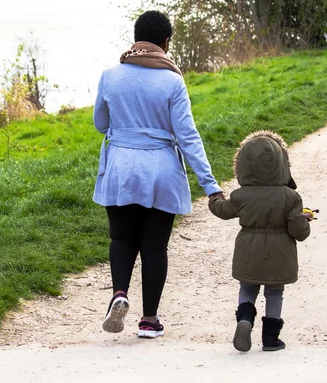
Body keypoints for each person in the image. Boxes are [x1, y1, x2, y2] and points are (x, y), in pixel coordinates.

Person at [93, 10, 222, 338]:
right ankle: (149, 320)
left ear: (135, 38)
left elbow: (100, 124)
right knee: (154, 247)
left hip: (121, 167)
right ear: (166, 43)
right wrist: (210, 186)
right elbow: (187, 136)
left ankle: (119, 294)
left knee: (121, 238)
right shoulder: (172, 80)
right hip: (160, 170)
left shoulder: (110, 75)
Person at [208, 131, 312, 352]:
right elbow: (299, 231)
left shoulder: (241, 195)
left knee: (247, 287)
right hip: (279, 254)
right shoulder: (290, 197)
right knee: (274, 292)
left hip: (248, 252)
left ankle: (245, 319)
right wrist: (304, 220)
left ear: (243, 165)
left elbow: (223, 211)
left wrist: (214, 198)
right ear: (283, 164)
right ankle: (271, 339)